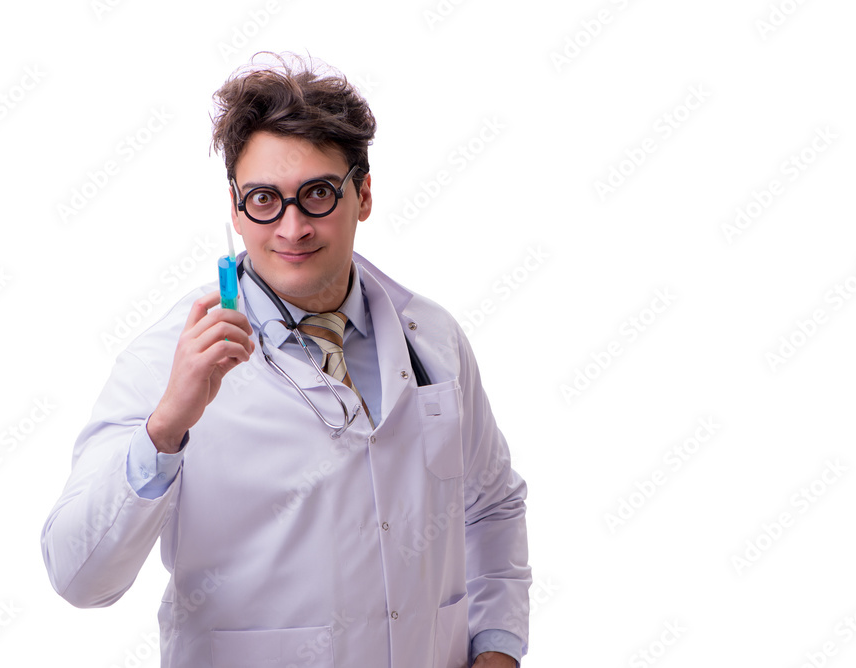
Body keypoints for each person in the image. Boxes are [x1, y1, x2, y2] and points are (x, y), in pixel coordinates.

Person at [41, 52, 531, 668]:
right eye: (264, 199)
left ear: (364, 194)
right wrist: (165, 428)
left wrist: (497, 648)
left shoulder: (432, 338)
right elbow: (78, 577)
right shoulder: (165, 359)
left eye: (318, 194)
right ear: (235, 207)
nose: (292, 227)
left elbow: (492, 507)